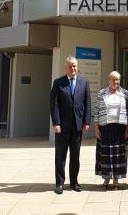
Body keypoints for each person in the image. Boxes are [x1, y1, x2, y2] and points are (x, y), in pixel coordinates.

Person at [50, 55, 91, 194]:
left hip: (77, 126)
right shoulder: (58, 82)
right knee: (60, 156)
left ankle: (74, 182)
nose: (72, 68)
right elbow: (53, 104)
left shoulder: (84, 83)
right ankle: (59, 183)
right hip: (62, 126)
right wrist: (56, 123)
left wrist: (86, 121)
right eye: (70, 66)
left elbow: (87, 103)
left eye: (74, 66)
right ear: (65, 67)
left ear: (77, 67)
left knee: (75, 155)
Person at [94, 71, 128, 190]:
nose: (116, 82)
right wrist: (96, 127)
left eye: (118, 80)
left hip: (120, 127)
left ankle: (116, 180)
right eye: (113, 80)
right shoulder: (101, 93)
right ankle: (106, 178)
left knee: (118, 155)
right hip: (105, 127)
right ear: (109, 81)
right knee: (106, 155)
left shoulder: (125, 93)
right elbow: (97, 111)